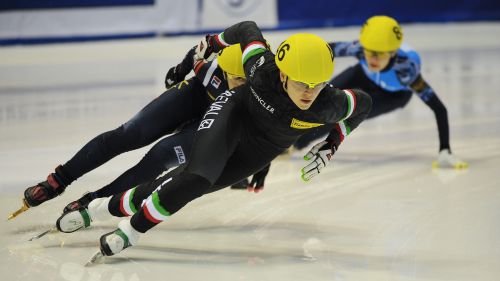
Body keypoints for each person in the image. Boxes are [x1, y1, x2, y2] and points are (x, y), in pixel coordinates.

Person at [55, 21, 372, 259]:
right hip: (234, 114)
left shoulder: (330, 103)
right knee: (195, 177)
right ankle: (130, 233)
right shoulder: (261, 69)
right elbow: (247, 28)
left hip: (263, 148)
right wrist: (212, 43)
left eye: (317, 85)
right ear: (284, 74)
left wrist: (333, 142)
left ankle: (97, 210)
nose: (309, 93)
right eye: (302, 83)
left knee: (180, 186)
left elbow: (364, 104)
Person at [8, 44, 268, 220]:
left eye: (246, 81)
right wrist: (178, 71)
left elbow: (274, 129)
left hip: (223, 119)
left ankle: (94, 201)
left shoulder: (265, 84)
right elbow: (197, 52)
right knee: (129, 133)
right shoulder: (211, 64)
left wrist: (260, 164)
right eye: (236, 79)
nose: (241, 85)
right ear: (222, 68)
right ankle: (57, 180)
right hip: (197, 93)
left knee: (162, 154)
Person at [293, 15, 468, 169]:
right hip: (363, 75)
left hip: (392, 95)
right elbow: (325, 49)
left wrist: (445, 149)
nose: (373, 59)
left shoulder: (406, 70)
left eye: (379, 54)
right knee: (320, 98)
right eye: (369, 52)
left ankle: (295, 144)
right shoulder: (360, 49)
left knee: (340, 113)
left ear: (393, 53)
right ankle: (287, 134)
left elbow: (439, 108)